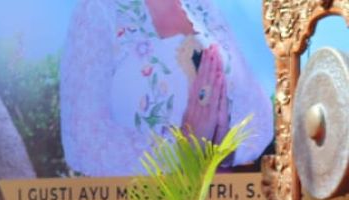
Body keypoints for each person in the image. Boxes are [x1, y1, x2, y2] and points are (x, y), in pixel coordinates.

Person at [61, 0, 271, 176]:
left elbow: (260, 117)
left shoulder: (203, 7)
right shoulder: (98, 10)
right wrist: (182, 149)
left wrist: (222, 144)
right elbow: (83, 142)